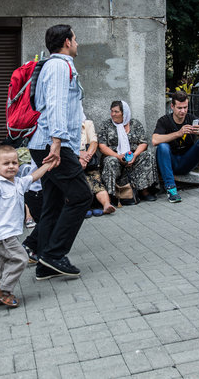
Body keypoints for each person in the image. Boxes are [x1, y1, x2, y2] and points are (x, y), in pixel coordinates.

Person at [28, 24, 93, 280]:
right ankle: (55, 254)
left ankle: (44, 263)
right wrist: (56, 144)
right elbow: (55, 104)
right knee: (81, 196)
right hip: (52, 145)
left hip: (49, 143)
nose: (78, 43)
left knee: (53, 203)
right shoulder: (58, 65)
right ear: (67, 42)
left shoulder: (57, 65)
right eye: (75, 39)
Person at [0, 145, 50, 308]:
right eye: (6, 163)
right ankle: (2, 289)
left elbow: (34, 176)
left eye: (14, 162)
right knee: (21, 258)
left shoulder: (18, 183)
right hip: (2, 235)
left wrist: (47, 165)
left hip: (9, 234)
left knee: (5, 265)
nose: (11, 166)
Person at [152, 91, 199, 203]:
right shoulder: (164, 121)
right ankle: (171, 189)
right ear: (172, 106)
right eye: (179, 108)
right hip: (170, 162)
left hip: (186, 161)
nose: (183, 111)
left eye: (185, 107)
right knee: (162, 147)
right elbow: (154, 140)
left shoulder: (191, 118)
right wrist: (178, 133)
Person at [97, 100, 159, 202]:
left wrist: (134, 155)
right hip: (115, 156)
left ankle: (144, 191)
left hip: (132, 156)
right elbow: (102, 146)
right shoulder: (106, 125)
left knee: (147, 156)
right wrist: (118, 156)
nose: (113, 114)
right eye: (112, 111)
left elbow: (143, 143)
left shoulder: (135, 124)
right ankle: (112, 196)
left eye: (116, 111)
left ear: (124, 113)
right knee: (110, 161)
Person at [80, 119, 116, 217]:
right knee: (80, 182)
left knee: (97, 182)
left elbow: (94, 142)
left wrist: (86, 158)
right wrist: (78, 155)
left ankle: (106, 205)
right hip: (73, 159)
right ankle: (82, 209)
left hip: (88, 160)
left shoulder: (87, 123)